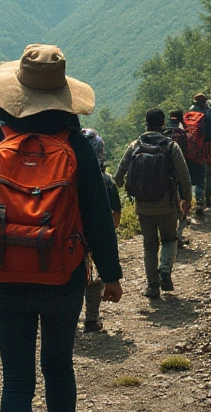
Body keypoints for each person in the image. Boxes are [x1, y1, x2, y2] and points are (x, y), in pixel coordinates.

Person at [0, 44, 123, 412]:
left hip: (6, 275)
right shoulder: (78, 148)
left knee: (17, 380)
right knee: (58, 368)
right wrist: (111, 274)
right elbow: (98, 215)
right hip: (62, 278)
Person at [113, 109, 192, 300]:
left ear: (146, 123)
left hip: (143, 206)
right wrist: (186, 200)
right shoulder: (171, 146)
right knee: (169, 239)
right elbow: (184, 177)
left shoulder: (135, 145)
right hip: (166, 203)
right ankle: (165, 270)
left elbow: (118, 177)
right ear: (162, 123)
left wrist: (132, 188)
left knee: (149, 246)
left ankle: (152, 287)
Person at [81, 127, 122, 332]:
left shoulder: (67, 174)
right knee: (95, 280)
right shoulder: (106, 181)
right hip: (94, 240)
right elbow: (116, 216)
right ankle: (91, 319)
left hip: (70, 238)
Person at [184, 94, 211, 218]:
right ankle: (200, 203)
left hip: (187, 151)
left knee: (186, 179)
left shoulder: (188, 114)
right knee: (200, 178)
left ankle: (184, 206)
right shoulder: (206, 114)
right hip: (202, 150)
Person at [165, 111, 192, 248]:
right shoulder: (182, 132)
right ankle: (178, 236)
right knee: (183, 205)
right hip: (179, 174)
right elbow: (187, 151)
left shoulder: (163, 132)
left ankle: (170, 236)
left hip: (164, 176)